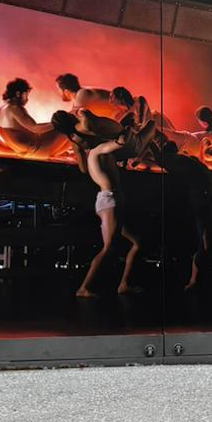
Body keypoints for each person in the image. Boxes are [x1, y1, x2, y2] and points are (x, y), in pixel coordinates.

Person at [151, 137, 212, 289]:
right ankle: (198, 279)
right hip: (206, 199)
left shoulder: (186, 159)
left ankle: (204, 275)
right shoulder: (177, 160)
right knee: (207, 241)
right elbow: (159, 156)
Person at [71, 127, 143, 297]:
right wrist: (127, 128)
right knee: (108, 247)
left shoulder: (97, 153)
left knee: (137, 242)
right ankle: (84, 288)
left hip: (111, 200)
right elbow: (120, 143)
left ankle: (124, 284)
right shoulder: (98, 151)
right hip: (110, 201)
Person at [0, 79, 68, 158]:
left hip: (27, 152)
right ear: (18, 94)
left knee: (62, 126)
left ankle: (58, 152)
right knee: (71, 124)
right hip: (39, 149)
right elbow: (35, 128)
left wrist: (14, 152)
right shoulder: (14, 108)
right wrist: (57, 123)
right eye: (26, 95)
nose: (27, 99)